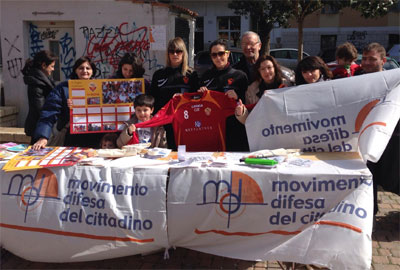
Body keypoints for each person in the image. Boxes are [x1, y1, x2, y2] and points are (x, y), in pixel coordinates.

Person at [354, 43, 398, 221]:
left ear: (383, 60)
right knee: (366, 174)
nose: (366, 63)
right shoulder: (355, 79)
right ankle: (369, 211)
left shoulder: (394, 82)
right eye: (364, 59)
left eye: (372, 59)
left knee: (392, 176)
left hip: (389, 138)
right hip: (362, 136)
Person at [32, 56, 103, 150]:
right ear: (75, 70)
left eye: (88, 68)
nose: (85, 71)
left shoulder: (101, 87)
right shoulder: (63, 88)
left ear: (92, 71)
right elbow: (49, 112)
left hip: (97, 136)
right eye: (81, 68)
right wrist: (43, 136)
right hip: (72, 137)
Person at [198, 39, 248, 151]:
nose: (218, 58)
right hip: (212, 127)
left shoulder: (239, 76)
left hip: (234, 127)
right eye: (214, 55)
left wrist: (237, 97)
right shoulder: (206, 77)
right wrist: (200, 94)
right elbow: (199, 104)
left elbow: (248, 103)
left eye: (221, 53)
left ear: (228, 53)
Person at [149, 37, 198, 150]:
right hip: (165, 123)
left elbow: (197, 98)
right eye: (172, 51)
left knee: (185, 154)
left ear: (183, 53)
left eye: (178, 51)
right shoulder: (159, 74)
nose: (175, 54)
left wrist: (184, 98)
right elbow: (152, 98)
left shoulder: (191, 74)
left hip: (186, 122)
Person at [235, 54, 290, 124]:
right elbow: (248, 120)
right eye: (263, 69)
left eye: (269, 67)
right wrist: (241, 113)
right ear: (259, 71)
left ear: (275, 68)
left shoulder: (288, 85)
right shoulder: (251, 90)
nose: (266, 71)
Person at [21, 50, 57, 144]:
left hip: (43, 125)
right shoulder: (36, 84)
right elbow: (40, 109)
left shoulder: (44, 79)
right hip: (40, 127)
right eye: (52, 66)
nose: (53, 69)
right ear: (44, 65)